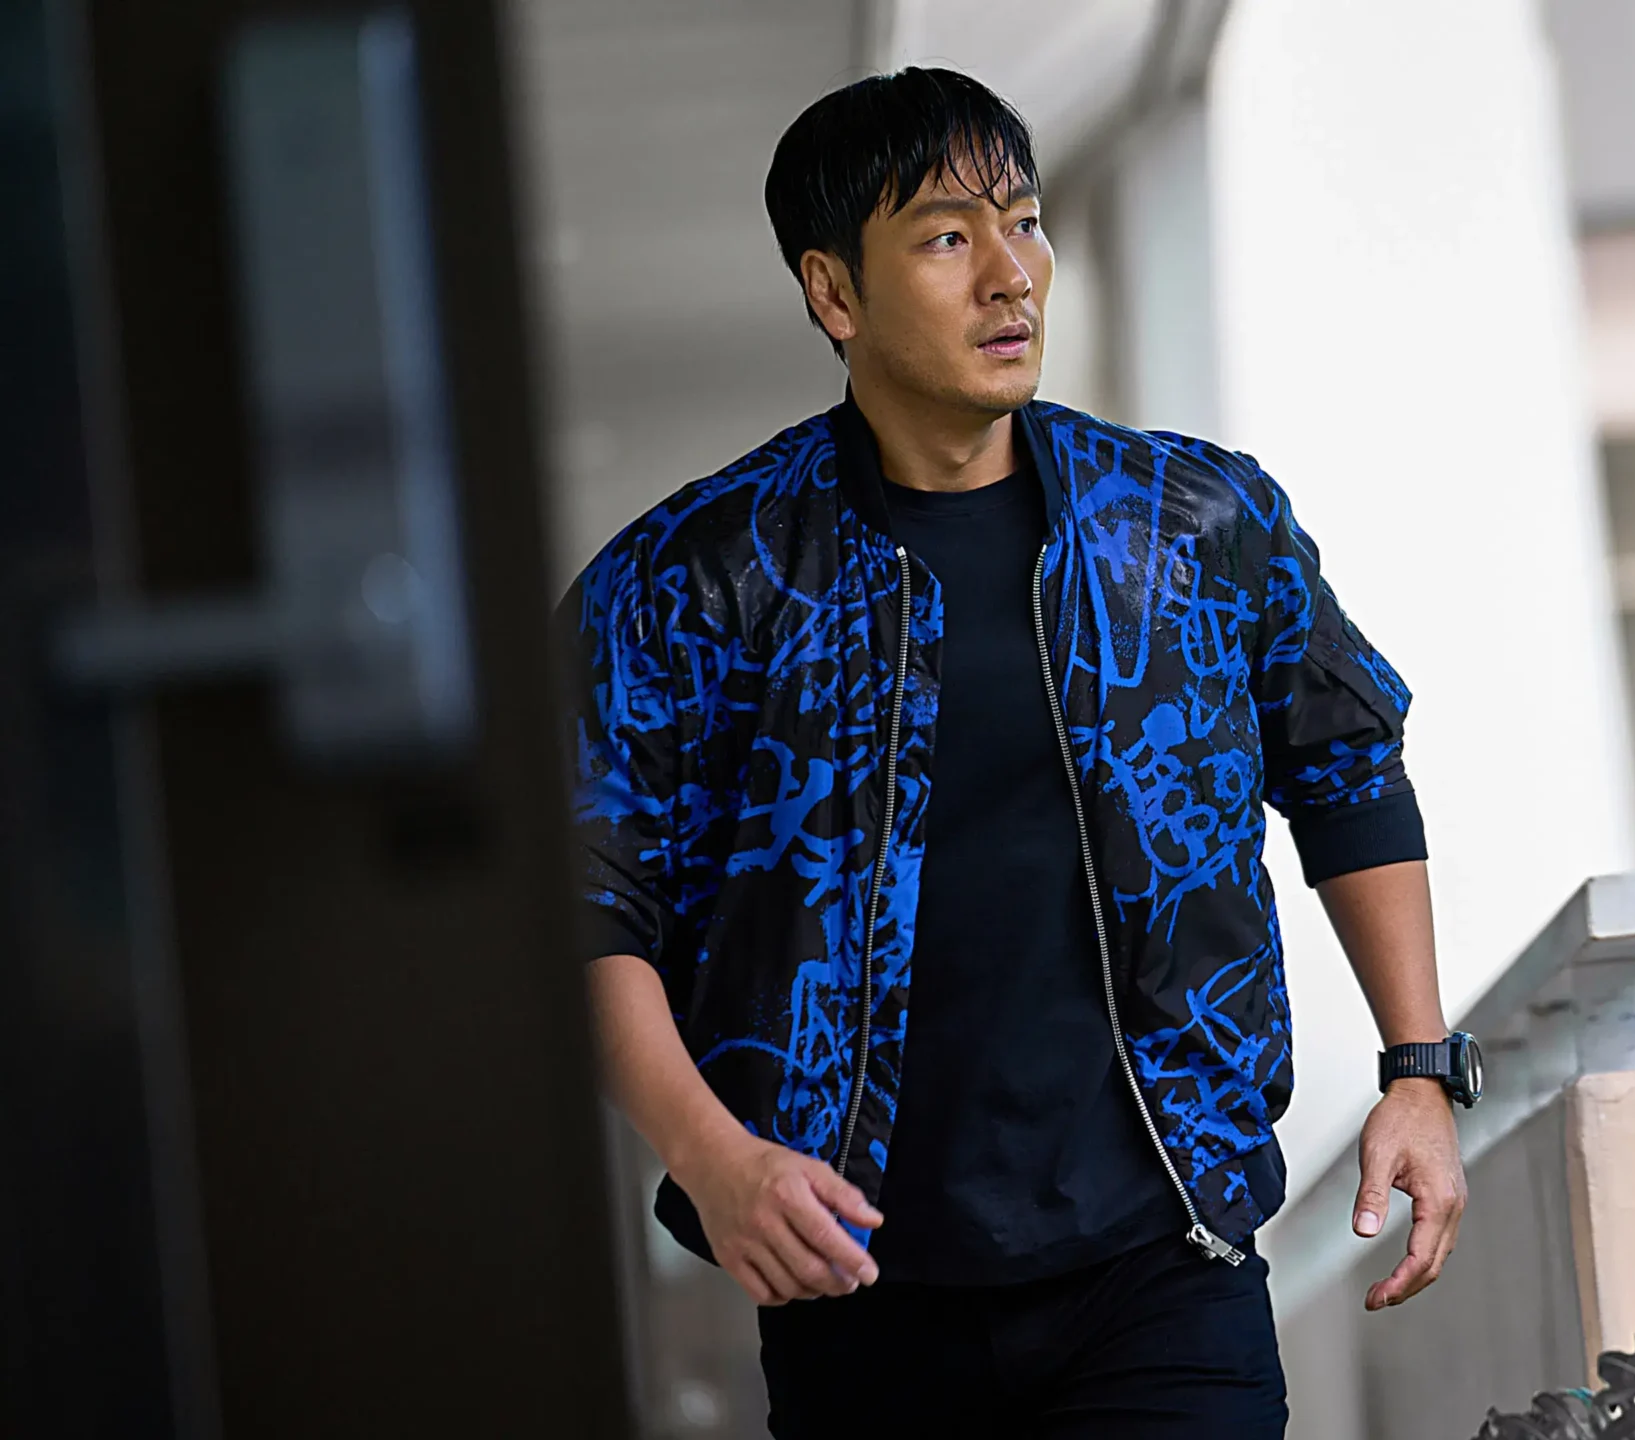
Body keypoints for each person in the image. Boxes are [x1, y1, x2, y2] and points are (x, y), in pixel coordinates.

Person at [563, 68, 1481, 1438]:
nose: (1011, 276)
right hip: (859, 1297)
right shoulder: (698, 580)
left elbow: (1348, 771)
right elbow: (584, 905)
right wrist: (713, 1159)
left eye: (1026, 222)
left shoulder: (1191, 524)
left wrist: (1419, 1069)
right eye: (946, 237)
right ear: (833, 292)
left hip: (1162, 1267)